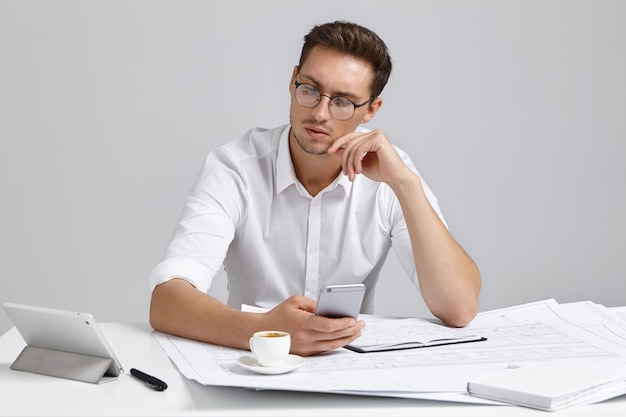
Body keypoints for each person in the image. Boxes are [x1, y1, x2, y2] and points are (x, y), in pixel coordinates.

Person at [149, 21, 481, 357]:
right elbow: (166, 302)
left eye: (343, 102)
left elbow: (459, 307)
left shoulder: (391, 174)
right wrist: (266, 331)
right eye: (309, 89)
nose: (320, 113)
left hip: (348, 371)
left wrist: (405, 184)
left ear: (370, 110)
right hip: (249, 362)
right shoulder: (236, 166)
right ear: (292, 81)